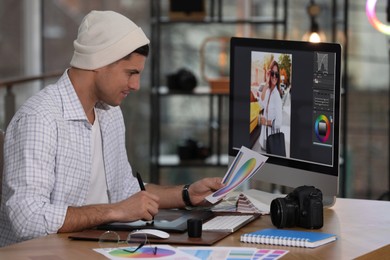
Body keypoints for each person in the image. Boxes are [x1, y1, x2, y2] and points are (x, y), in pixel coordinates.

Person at [0, 10, 224, 247]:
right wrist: (114, 211)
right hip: (45, 253)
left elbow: (124, 191)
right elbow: (27, 219)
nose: (136, 85)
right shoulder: (40, 118)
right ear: (99, 62)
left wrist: (187, 194)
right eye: (131, 73)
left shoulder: (110, 112)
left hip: (96, 245)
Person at [258, 60, 283, 151]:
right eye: (272, 73)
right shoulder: (268, 91)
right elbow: (261, 103)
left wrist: (266, 122)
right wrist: (266, 82)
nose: (274, 77)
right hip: (263, 139)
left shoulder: (276, 95)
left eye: (277, 74)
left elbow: (279, 123)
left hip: (272, 141)